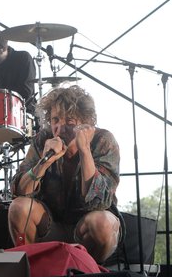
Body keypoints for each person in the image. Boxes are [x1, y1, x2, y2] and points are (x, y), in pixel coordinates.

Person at [7, 85, 121, 263]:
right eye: (55, 120)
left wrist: (84, 150)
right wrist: (44, 161)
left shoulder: (103, 140)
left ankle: (90, 276)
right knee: (19, 207)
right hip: (51, 225)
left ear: (86, 122)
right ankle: (31, 274)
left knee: (102, 224)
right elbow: (19, 191)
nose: (60, 128)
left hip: (87, 227)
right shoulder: (42, 140)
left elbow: (98, 201)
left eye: (70, 121)